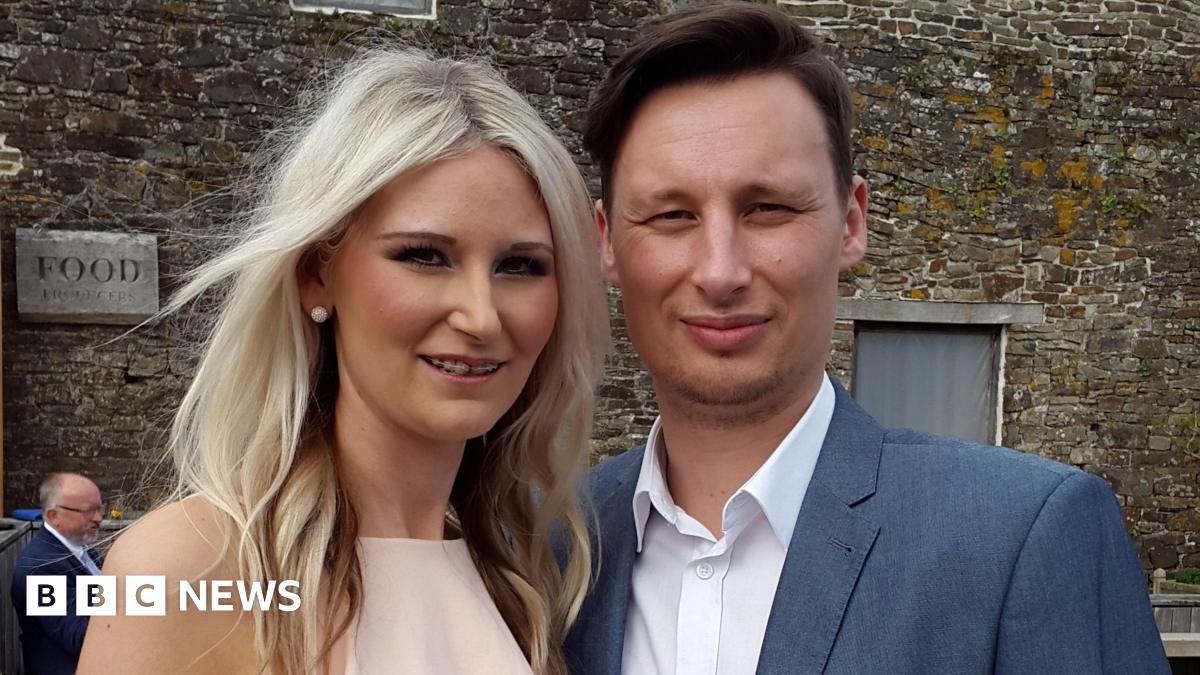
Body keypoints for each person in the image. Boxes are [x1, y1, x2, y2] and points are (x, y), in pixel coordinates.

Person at [564, 4, 1169, 674]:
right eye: (672, 215)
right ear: (607, 242)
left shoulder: (1024, 536)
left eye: (768, 209)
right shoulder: (545, 549)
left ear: (852, 221)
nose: (721, 270)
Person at [77, 48, 608, 675]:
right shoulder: (186, 565)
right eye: (423, 255)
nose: (482, 316)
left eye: (520, 266)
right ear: (315, 275)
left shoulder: (522, 577)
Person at [10, 473, 104, 675]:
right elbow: (79, 639)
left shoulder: (81, 548)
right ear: (53, 516)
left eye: (99, 509)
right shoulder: (40, 569)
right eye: (88, 511)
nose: (99, 518)